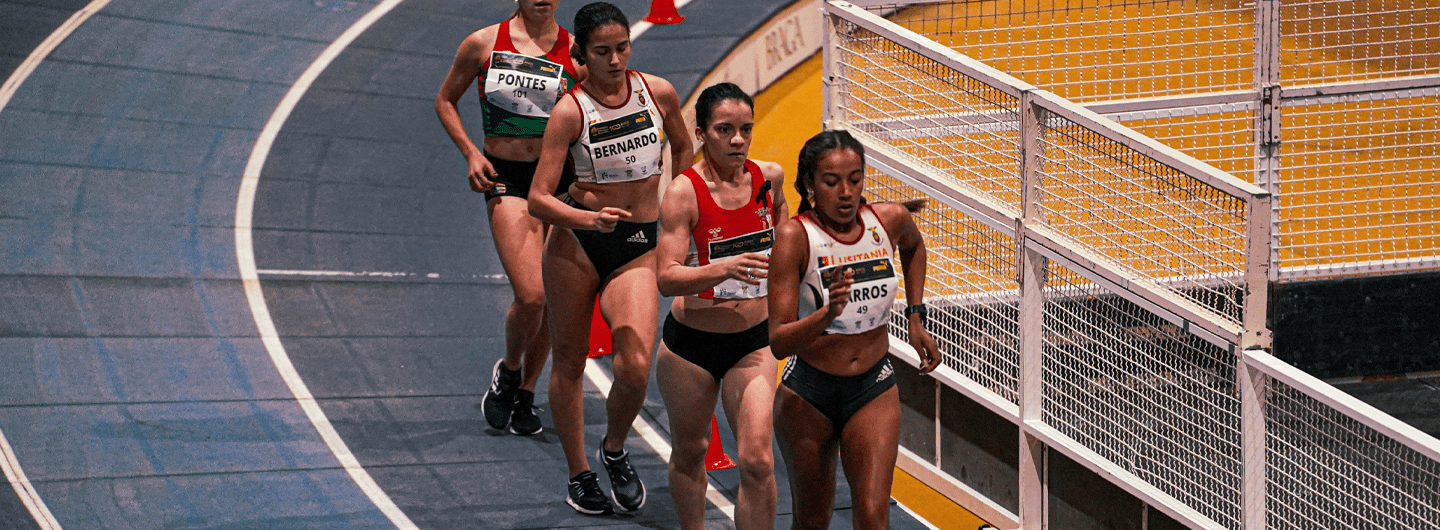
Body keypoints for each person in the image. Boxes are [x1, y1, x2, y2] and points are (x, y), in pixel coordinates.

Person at [527, 2, 693, 516]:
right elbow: (538, 198)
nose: (616, 59)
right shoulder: (569, 112)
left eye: (622, 47)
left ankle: (614, 448)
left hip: (637, 245)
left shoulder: (657, 92)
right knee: (571, 362)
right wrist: (584, 220)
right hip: (577, 247)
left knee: (636, 366)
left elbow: (685, 152)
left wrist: (674, 209)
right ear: (581, 53)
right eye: (603, 51)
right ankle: (579, 473)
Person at [767, 130, 943, 530]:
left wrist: (916, 317)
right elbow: (778, 342)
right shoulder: (795, 238)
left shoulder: (890, 219)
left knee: (873, 519)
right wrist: (826, 316)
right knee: (812, 522)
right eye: (831, 182)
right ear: (809, 184)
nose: (846, 192)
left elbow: (914, 248)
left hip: (872, 388)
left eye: (855, 179)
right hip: (807, 394)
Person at [434, 0, 583, 436]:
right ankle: (511, 370)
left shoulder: (577, 52)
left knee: (557, 301)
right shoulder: (482, 44)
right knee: (532, 296)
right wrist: (471, 153)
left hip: (561, 182)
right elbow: (445, 100)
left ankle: (526, 394)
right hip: (508, 179)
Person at [655, 82, 785, 530]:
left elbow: (788, 241)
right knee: (691, 454)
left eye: (746, 129)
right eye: (725, 129)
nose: (737, 140)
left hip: (754, 343)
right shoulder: (683, 192)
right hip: (691, 347)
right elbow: (666, 278)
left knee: (757, 460)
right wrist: (724, 269)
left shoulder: (770, 179)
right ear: (701, 133)